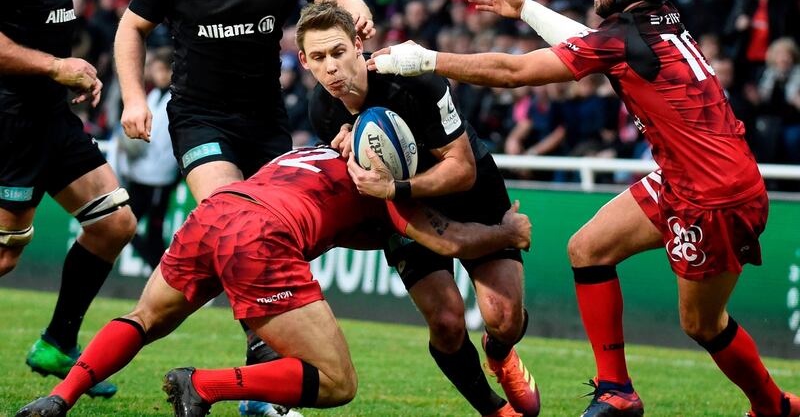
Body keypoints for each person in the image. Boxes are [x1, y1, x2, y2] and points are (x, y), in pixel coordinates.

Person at [369, 0, 800, 417]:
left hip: (713, 196)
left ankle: (773, 407)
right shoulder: (656, 21)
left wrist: (425, 59)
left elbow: (515, 71)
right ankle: (616, 390)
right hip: (693, 176)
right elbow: (593, 41)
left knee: (703, 324)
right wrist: (525, 8)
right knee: (588, 249)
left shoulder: (624, 38)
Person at [16, 146, 532, 417]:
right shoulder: (381, 181)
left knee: (145, 318)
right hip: (263, 236)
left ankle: (61, 397)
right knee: (336, 383)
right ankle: (203, 385)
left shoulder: (311, 150)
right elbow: (449, 242)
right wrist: (505, 233)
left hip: (217, 211)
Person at [114, 0, 374, 414]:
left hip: (265, 119)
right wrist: (134, 98)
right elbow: (131, 26)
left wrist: (358, 14)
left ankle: (260, 389)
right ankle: (258, 369)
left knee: (266, 241)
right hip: (199, 116)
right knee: (234, 222)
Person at [298, 1, 539, 417]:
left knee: (504, 320)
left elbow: (461, 170)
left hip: (471, 191)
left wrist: (396, 186)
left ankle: (500, 352)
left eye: (338, 52)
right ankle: (495, 411)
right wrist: (351, 159)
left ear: (358, 45)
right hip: (405, 204)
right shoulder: (321, 109)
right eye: (318, 58)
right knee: (446, 323)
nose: (331, 67)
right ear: (303, 61)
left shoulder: (413, 80)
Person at [0, 0, 137, 399]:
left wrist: (77, 72)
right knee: (5, 255)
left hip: (52, 118)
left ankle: (58, 343)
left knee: (114, 224)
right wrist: (56, 66)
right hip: (13, 122)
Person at [113, 48, 180, 270]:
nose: (157, 74)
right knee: (124, 225)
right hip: (140, 174)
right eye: (155, 69)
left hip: (160, 177)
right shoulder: (152, 95)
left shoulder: (176, 99)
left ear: (171, 71)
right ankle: (162, 271)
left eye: (161, 69)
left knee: (152, 232)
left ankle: (163, 272)